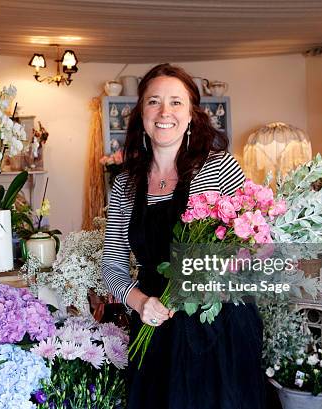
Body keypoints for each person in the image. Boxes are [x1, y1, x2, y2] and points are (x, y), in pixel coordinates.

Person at [102, 63, 265, 409]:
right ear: (141, 113)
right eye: (154, 102)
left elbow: (256, 244)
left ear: (192, 115)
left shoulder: (219, 167)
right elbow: (112, 266)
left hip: (218, 326)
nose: (165, 112)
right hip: (155, 324)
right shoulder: (124, 184)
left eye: (176, 102)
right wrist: (140, 303)